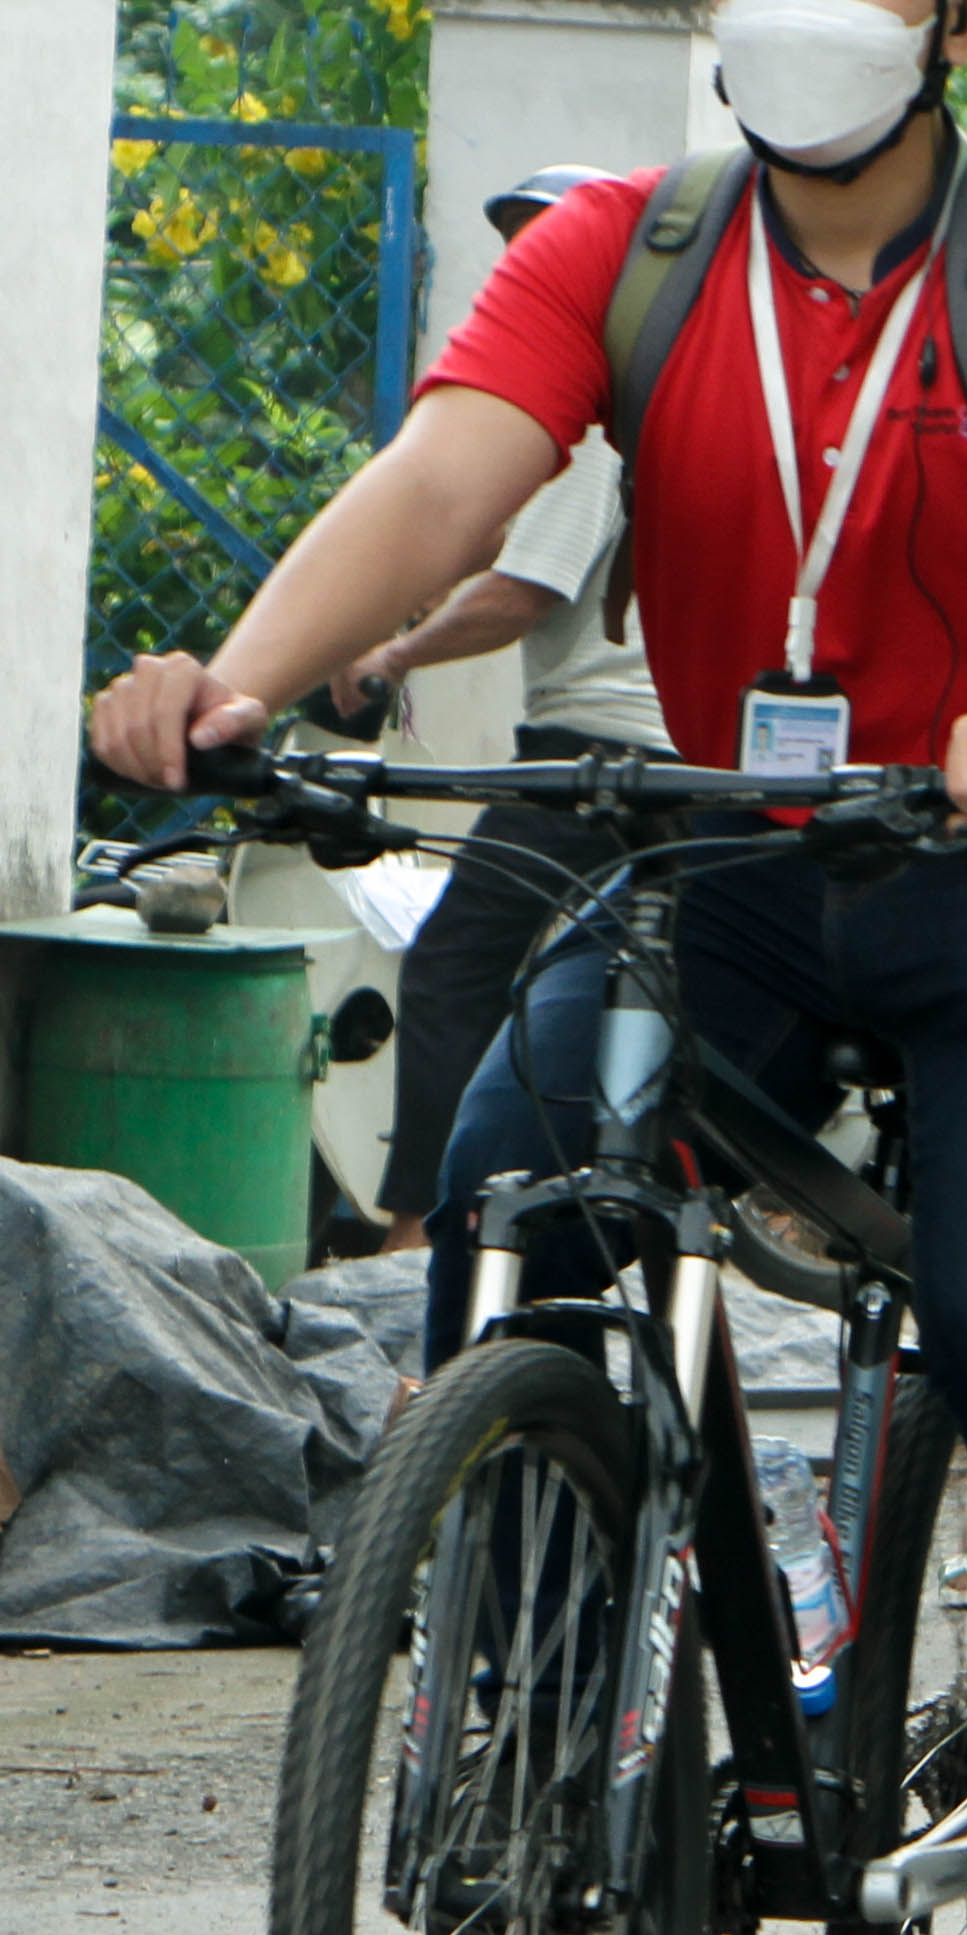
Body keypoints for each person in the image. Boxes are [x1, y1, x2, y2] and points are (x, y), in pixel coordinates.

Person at [85, 0, 967, 1935]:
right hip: (732, 865)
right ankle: (512, 1722)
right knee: (516, 1195)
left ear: (959, 5)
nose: (799, 0)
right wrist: (231, 684)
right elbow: (442, 482)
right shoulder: (625, 249)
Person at [331, 169, 678, 1246]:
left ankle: (416, 1232)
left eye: (549, 249)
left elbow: (528, 589)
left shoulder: (593, 423)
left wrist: (394, 652)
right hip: (683, 763)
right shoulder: (638, 403)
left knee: (456, 964)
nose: (527, 270)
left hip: (599, 760)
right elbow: (475, 529)